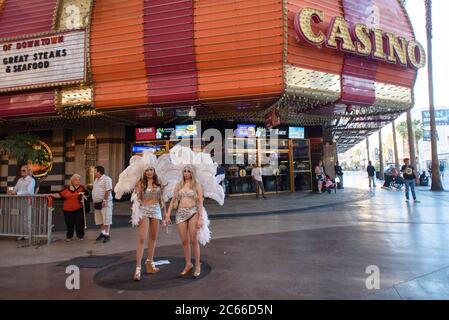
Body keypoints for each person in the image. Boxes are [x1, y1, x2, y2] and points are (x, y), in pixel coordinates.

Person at [164, 165, 204, 278]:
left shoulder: (197, 185)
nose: (186, 173)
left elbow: (200, 203)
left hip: (193, 213)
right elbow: (173, 201)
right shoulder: (179, 185)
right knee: (184, 241)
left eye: (188, 171)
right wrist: (167, 215)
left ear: (192, 173)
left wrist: (200, 218)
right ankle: (188, 264)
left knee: (193, 240)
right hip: (180, 213)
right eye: (184, 171)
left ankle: (197, 265)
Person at [131, 166, 165, 281]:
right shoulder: (140, 182)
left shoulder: (158, 182)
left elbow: (162, 199)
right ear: (144, 172)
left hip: (156, 210)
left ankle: (150, 264)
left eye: (151, 170)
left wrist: (165, 215)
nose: (149, 172)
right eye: (147, 170)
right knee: (142, 238)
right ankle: (138, 268)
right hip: (144, 210)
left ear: (154, 171)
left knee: (153, 237)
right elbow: (137, 199)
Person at [50, 174, 88, 241]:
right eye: (76, 179)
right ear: (72, 181)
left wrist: (85, 197)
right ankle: (69, 236)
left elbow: (87, 194)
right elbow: (59, 195)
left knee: (79, 223)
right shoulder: (67, 189)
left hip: (79, 208)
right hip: (67, 209)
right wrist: (50, 195)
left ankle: (80, 236)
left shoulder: (82, 188)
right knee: (69, 223)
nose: (78, 181)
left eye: (79, 179)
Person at [92, 166, 113, 243]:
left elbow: (108, 190)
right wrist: (94, 200)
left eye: (95, 171)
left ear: (99, 171)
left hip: (105, 203)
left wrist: (104, 200)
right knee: (100, 220)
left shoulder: (106, 179)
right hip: (97, 203)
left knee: (106, 219)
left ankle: (107, 235)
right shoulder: (96, 179)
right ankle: (103, 233)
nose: (94, 173)